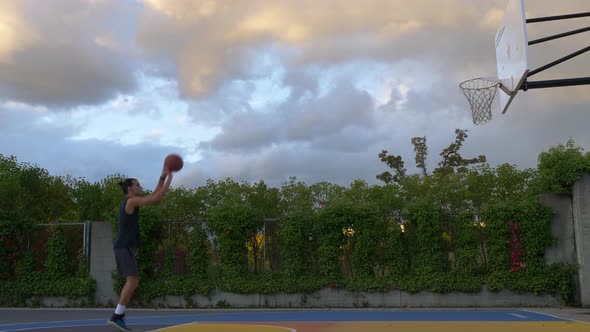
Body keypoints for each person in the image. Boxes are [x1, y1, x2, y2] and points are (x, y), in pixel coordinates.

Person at [108, 168, 173, 332]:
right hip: (124, 247)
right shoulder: (130, 201)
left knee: (133, 280)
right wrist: (170, 180)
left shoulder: (131, 202)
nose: (140, 186)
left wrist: (162, 178)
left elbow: (153, 196)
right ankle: (117, 316)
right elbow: (156, 198)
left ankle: (118, 315)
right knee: (132, 281)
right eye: (137, 185)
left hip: (125, 248)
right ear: (130, 189)